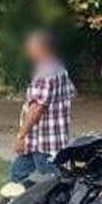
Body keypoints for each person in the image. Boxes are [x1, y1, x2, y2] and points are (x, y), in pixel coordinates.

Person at [11, 28, 74, 182]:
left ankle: (52, 203)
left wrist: (20, 136)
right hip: (38, 141)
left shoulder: (45, 73)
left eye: (30, 46)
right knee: (17, 174)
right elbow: (72, 92)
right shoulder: (60, 69)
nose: (27, 50)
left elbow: (36, 109)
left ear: (41, 47)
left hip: (44, 142)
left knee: (53, 182)